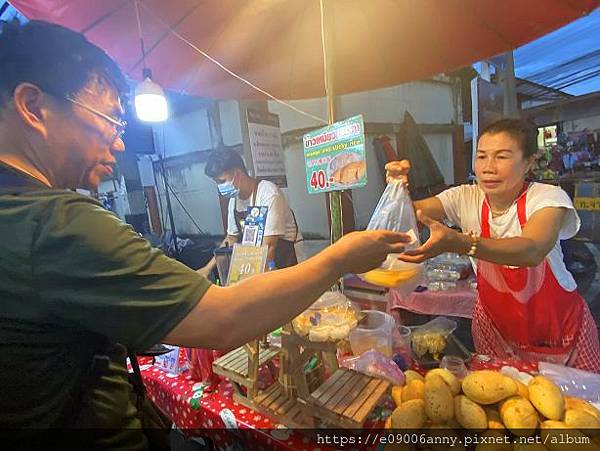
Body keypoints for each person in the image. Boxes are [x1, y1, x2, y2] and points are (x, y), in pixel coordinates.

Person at [0, 20, 411, 448]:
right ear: (33, 106)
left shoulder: (24, 217)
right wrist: (340, 258)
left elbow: (266, 251)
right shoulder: (56, 225)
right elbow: (223, 318)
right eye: (111, 121)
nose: (120, 144)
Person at [386, 118, 600, 372]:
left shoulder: (547, 198)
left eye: (501, 157)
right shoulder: (465, 197)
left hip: (559, 331)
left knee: (578, 408)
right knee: (505, 404)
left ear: (528, 162)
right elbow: (408, 214)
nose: (488, 168)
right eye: (482, 156)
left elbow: (531, 249)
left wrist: (463, 244)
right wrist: (397, 189)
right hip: (497, 331)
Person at [200, 148, 303, 275]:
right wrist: (207, 269)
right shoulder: (234, 201)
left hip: (286, 262)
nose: (219, 186)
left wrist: (253, 280)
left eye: (221, 181)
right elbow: (231, 238)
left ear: (238, 174)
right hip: (258, 263)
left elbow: (269, 246)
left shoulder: (268, 194)